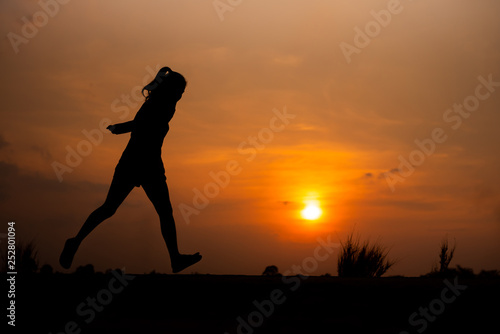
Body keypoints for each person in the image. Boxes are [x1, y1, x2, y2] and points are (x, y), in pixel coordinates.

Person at [59, 67, 202, 273]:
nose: (181, 95)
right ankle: (74, 242)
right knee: (110, 208)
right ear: (170, 90)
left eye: (182, 92)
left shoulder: (167, 106)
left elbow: (142, 124)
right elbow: (141, 124)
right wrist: (119, 128)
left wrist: (121, 128)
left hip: (150, 164)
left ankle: (175, 258)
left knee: (164, 212)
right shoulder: (159, 105)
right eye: (179, 91)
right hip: (134, 163)